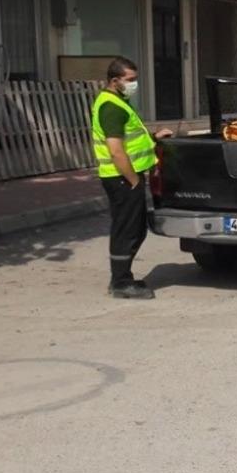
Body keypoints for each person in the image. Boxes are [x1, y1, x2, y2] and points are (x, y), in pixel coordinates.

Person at [92, 58, 173, 299]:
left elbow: (130, 138)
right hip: (121, 178)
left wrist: (153, 137)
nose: (134, 84)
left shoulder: (119, 101)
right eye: (130, 80)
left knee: (135, 229)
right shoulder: (112, 107)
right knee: (126, 230)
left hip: (125, 177)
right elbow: (116, 149)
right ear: (114, 80)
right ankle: (120, 283)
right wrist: (134, 181)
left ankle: (122, 277)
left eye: (135, 79)